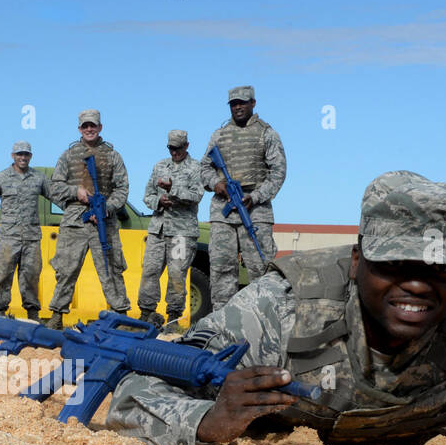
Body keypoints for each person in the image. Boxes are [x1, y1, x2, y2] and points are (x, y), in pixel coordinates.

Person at [107, 171, 446, 445]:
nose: (417, 283)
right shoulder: (277, 307)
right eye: (395, 264)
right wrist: (205, 422)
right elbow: (137, 389)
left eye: (440, 269)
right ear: (359, 258)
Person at [199, 85, 287, 310]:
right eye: (233, 104)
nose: (237, 107)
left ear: (253, 103)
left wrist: (256, 197)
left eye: (242, 102)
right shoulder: (219, 135)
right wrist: (216, 184)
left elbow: (278, 172)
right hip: (223, 210)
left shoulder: (267, 133)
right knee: (221, 269)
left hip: (255, 211)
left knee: (261, 266)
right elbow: (204, 168)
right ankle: (222, 320)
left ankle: (266, 315)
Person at [46, 109, 131, 329]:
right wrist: (76, 192)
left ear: (100, 127)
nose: (89, 129)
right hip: (75, 219)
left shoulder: (113, 155)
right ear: (80, 129)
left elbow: (122, 188)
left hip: (104, 219)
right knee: (66, 269)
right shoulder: (68, 155)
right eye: (85, 126)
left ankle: (120, 315)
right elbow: (55, 186)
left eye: (93, 125)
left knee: (111, 267)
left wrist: (107, 207)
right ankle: (56, 315)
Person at [0, 141, 52, 320]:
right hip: (8, 238)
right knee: (2, 276)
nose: (22, 157)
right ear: (13, 156)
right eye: (19, 154)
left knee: (31, 277)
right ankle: (0, 313)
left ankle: (33, 314)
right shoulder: (1, 177)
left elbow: (57, 195)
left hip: (31, 238)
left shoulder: (39, 178)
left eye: (26, 154)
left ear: (30, 156)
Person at [138, 130, 202, 331]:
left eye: (178, 148)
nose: (174, 152)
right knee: (150, 271)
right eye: (171, 148)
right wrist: (158, 200)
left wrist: (172, 190)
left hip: (181, 234)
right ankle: (146, 315)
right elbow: (147, 195)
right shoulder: (160, 166)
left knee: (176, 275)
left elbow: (196, 195)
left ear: (187, 146)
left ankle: (173, 319)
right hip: (158, 230)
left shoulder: (195, 167)